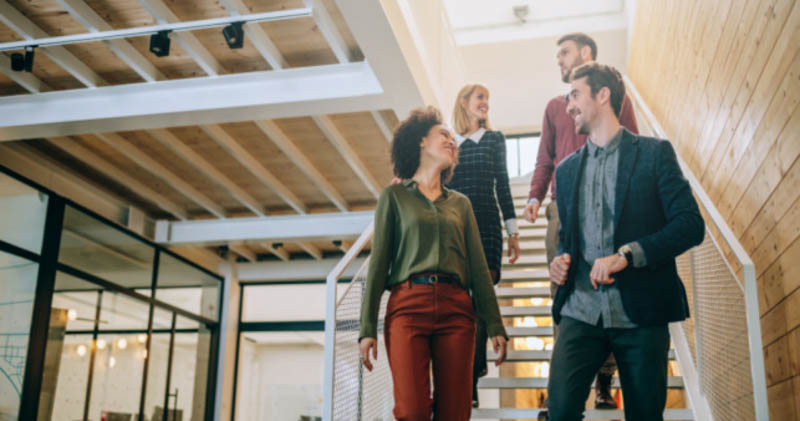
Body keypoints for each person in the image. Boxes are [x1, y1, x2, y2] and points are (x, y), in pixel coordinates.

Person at [547, 62, 704, 420]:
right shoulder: (566, 170)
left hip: (642, 314)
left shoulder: (654, 154)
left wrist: (627, 255)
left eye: (575, 95)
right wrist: (561, 260)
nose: (568, 105)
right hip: (580, 313)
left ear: (602, 95)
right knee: (559, 412)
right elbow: (568, 241)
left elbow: (690, 225)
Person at [359, 106, 509, 421]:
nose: (452, 141)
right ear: (421, 142)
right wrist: (366, 328)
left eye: (453, 139)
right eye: (444, 135)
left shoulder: (461, 204)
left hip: (457, 310)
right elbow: (378, 266)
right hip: (407, 308)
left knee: (455, 414)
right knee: (412, 411)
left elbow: (480, 270)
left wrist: (494, 323)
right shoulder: (394, 196)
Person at [522, 32, 639, 413]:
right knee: (564, 294)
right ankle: (563, 390)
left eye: (564, 53)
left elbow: (633, 144)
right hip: (563, 209)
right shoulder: (555, 108)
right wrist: (535, 196)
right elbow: (544, 158)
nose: (558, 60)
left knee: (609, 289)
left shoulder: (614, 97)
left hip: (610, 208)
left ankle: (605, 384)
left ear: (585, 54)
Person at [448, 83, 520, 408]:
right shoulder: (449, 144)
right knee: (462, 305)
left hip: (488, 226)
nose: (485, 104)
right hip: (456, 229)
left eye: (488, 99)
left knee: (479, 304)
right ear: (464, 103)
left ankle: (470, 379)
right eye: (480, 98)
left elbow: (502, 184)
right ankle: (466, 379)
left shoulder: (495, 139)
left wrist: (513, 231)